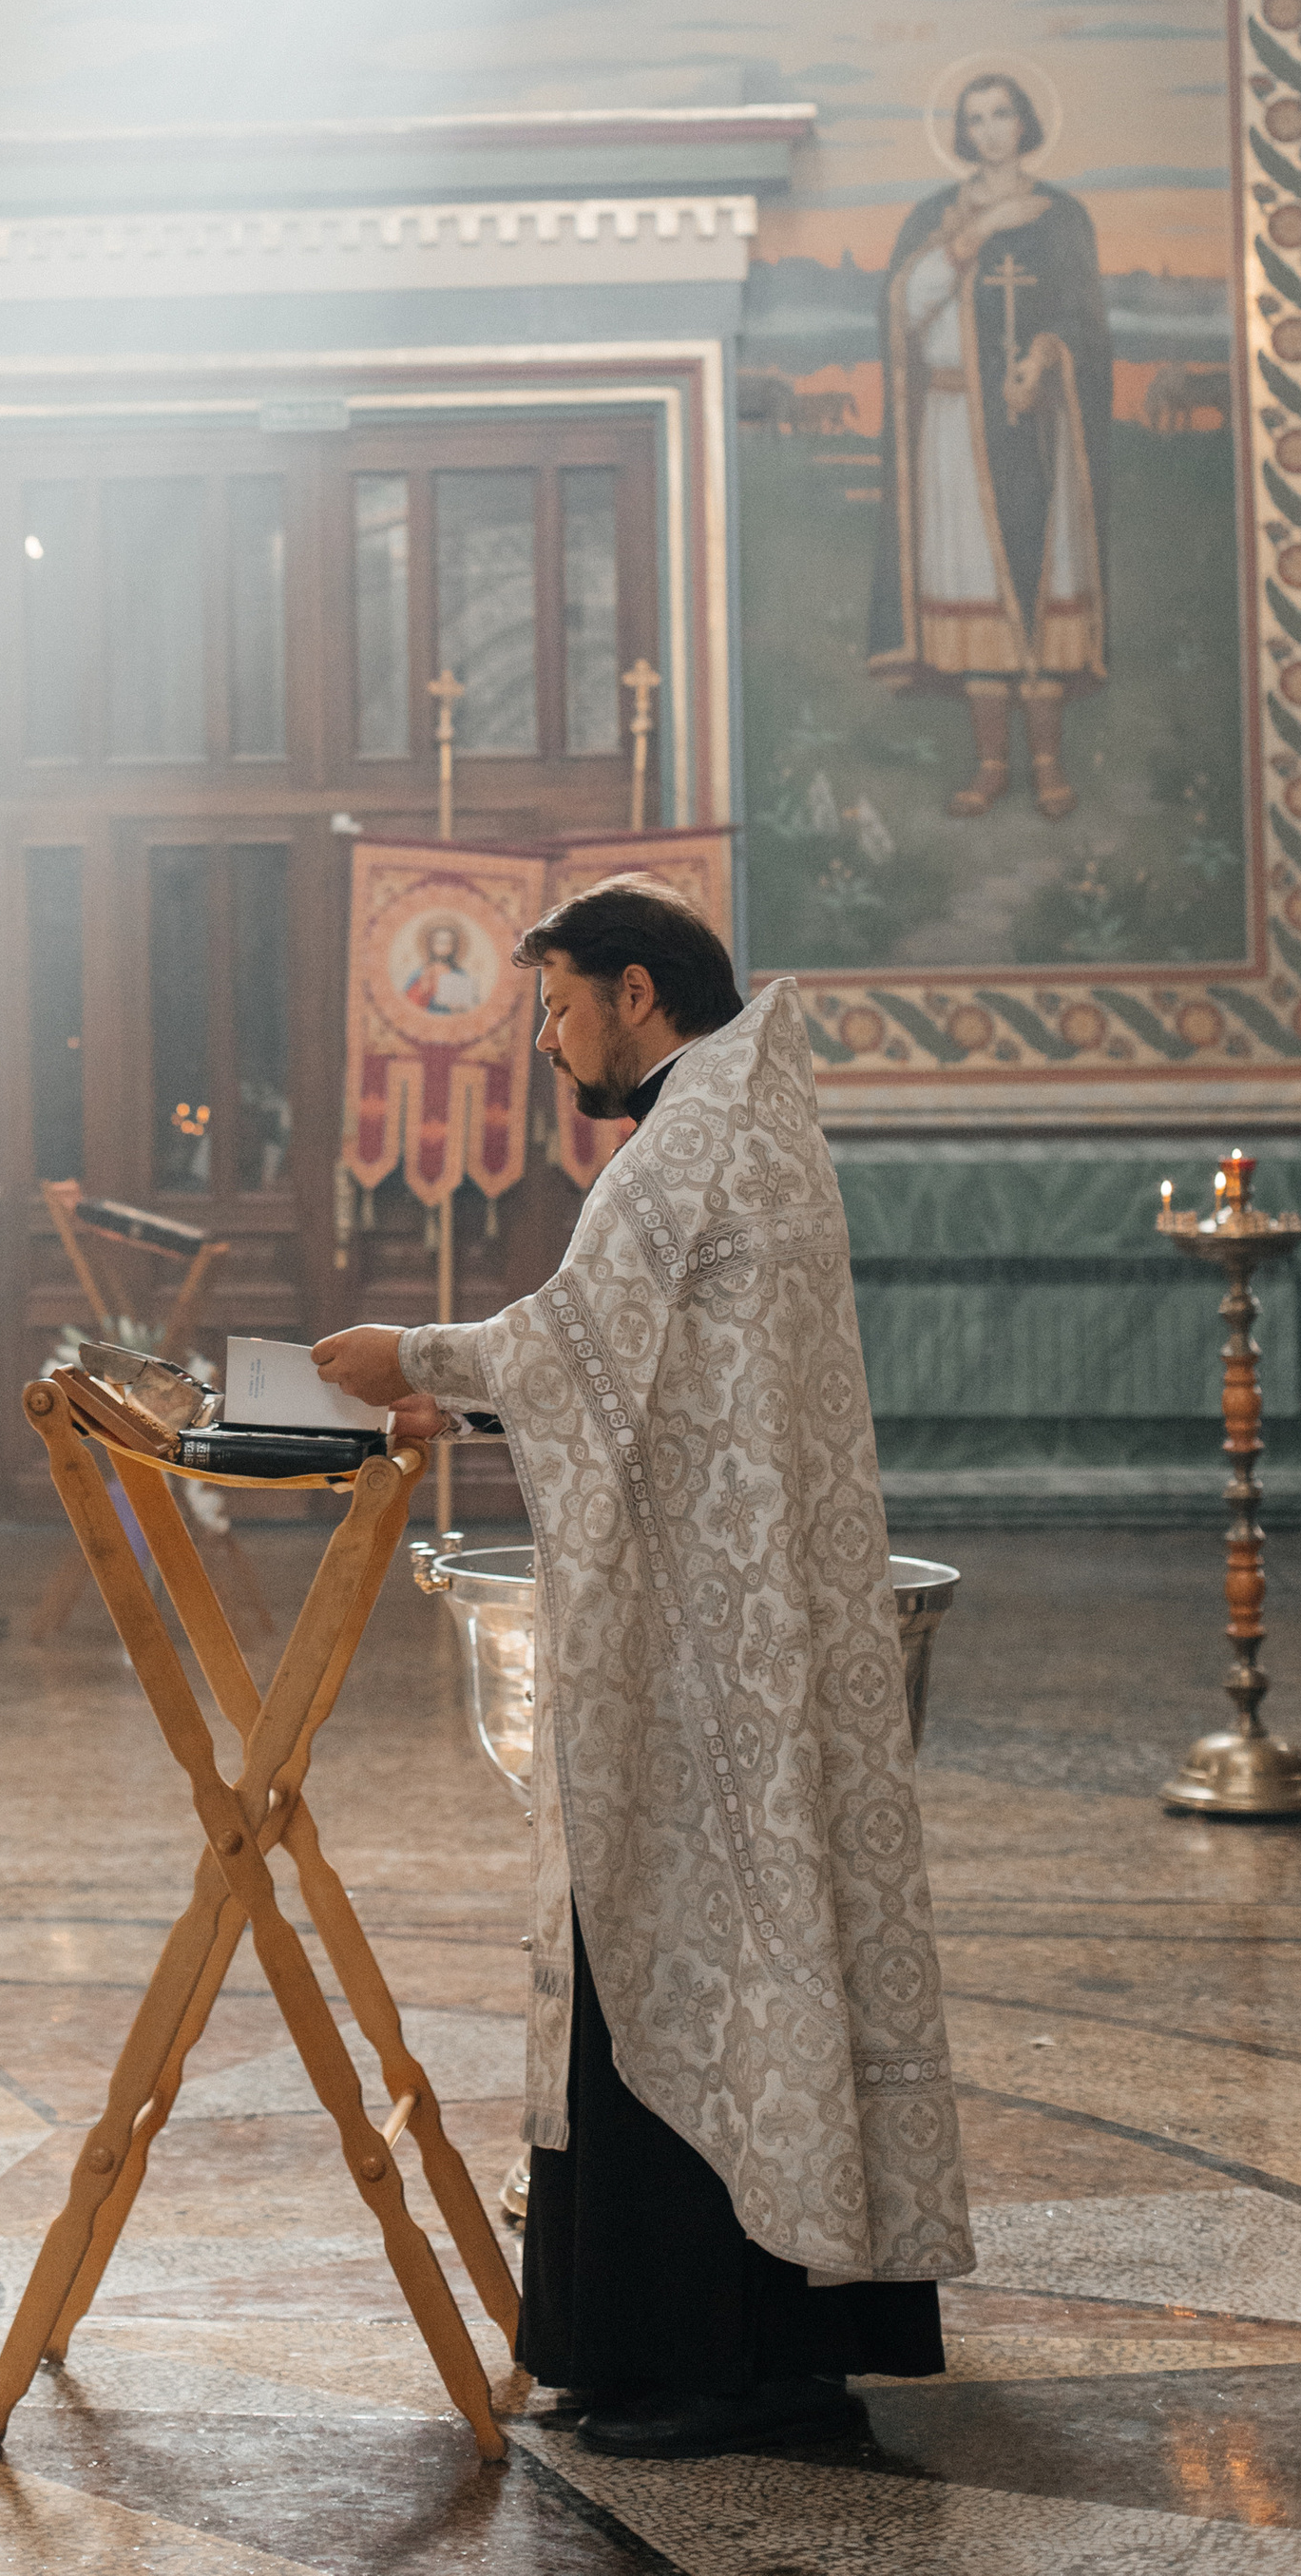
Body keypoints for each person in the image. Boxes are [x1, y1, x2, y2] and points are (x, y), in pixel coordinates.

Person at [315, 878, 971, 2462]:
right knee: (718, 1956)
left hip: (703, 1667)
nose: (548, 1043)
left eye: (557, 1010)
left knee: (679, 1953)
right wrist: (472, 1397)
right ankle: (714, 2349)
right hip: (728, 1629)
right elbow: (631, 1366)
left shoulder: (690, 1144)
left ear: (632, 990)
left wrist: (409, 1357)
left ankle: (717, 2367)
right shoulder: (744, 1124)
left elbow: (574, 1346)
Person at [868, 68, 1112, 817]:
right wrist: (973, 237)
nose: (990, 130)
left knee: (1038, 577)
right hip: (953, 428)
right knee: (975, 587)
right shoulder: (936, 216)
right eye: (975, 119)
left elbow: (1084, 321)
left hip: (1034, 425)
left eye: (1002, 114)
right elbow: (904, 309)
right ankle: (991, 765)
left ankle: (1048, 763)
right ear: (962, 133)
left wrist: (1045, 357)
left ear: (1025, 122)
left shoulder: (1061, 217)